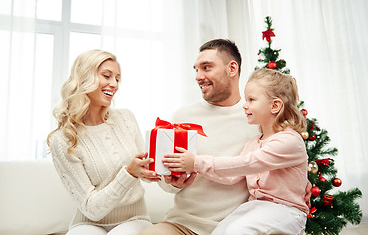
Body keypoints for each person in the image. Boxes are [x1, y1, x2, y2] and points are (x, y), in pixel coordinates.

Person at [139, 39, 311, 235]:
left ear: (232, 68)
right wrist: (171, 181)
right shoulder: (183, 118)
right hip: (184, 223)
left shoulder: (258, 119)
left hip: (241, 219)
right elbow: (171, 179)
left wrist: (299, 184)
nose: (198, 76)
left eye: (206, 67)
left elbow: (263, 161)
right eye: (196, 70)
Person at [47, 49, 160, 235]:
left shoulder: (125, 118)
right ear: (84, 78)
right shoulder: (62, 139)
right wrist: (129, 173)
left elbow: (149, 169)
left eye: (117, 79)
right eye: (107, 76)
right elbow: (91, 208)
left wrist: (168, 176)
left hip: (134, 220)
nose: (114, 84)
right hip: (88, 222)